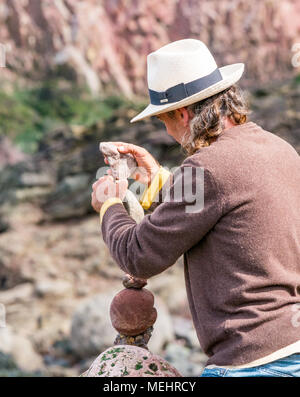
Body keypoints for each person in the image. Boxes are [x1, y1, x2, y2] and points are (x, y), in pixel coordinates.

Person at [91, 39, 300, 377]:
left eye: (164, 121)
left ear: (183, 114)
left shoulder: (206, 168)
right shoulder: (282, 151)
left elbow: (139, 254)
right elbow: (224, 205)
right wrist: (158, 179)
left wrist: (110, 204)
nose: (169, 131)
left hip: (249, 362)